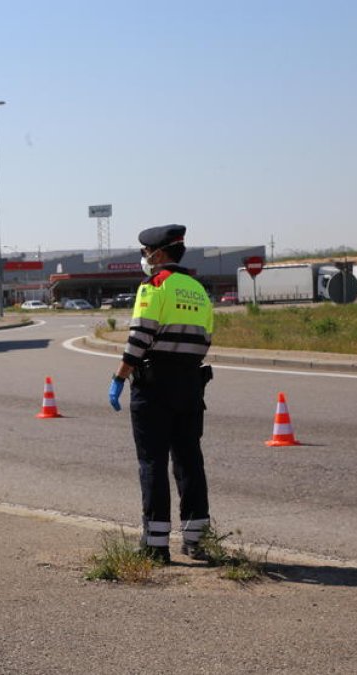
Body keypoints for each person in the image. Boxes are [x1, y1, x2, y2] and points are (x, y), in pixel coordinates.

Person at [107, 224, 215, 563]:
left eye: (144, 252)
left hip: (154, 386)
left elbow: (139, 338)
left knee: (152, 462)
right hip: (191, 383)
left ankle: (155, 545)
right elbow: (206, 338)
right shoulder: (198, 289)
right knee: (189, 460)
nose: (143, 257)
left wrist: (120, 377)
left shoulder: (154, 285)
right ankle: (197, 540)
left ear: (159, 253)